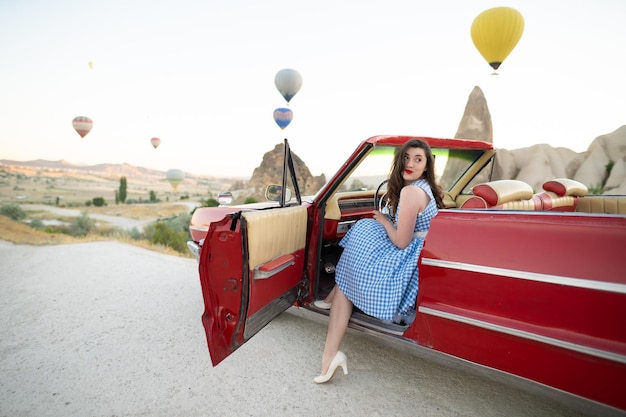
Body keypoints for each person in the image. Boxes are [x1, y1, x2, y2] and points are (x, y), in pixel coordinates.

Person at [313, 139, 444, 383]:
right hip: (418, 253)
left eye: (418, 159)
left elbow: (401, 242)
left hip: (407, 261)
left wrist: (383, 221)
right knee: (364, 235)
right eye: (406, 158)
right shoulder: (427, 187)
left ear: (426, 166)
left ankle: (330, 355)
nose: (410, 164)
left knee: (363, 232)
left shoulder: (411, 191)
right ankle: (330, 341)